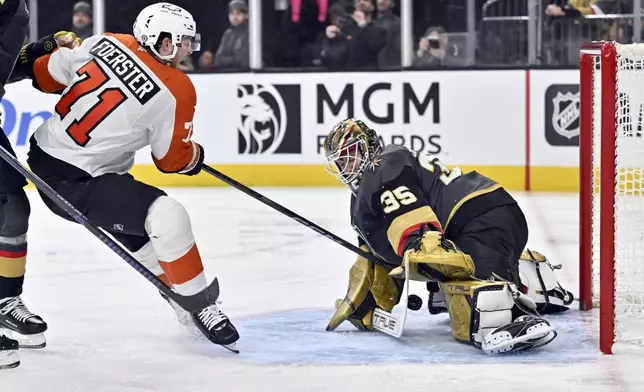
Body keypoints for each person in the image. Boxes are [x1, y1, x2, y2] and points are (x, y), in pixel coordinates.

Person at [13, 2, 240, 352]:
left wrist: (61, 53)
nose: (185, 50)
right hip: (82, 184)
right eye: (180, 42)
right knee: (167, 216)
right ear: (161, 40)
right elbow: (170, 160)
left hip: (45, 160)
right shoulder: (177, 88)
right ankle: (199, 304)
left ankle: (183, 297)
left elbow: (44, 76)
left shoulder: (104, 40)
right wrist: (194, 156)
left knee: (146, 233)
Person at [322, 118, 572, 354]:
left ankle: (516, 314)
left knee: (475, 302)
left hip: (480, 217)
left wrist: (420, 241)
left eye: (352, 154)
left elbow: (412, 224)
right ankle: (534, 281)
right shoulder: (364, 196)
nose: (348, 165)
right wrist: (365, 301)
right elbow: (378, 256)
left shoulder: (381, 166)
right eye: (341, 162)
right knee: (448, 289)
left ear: (370, 146)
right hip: (484, 216)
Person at [0, 0, 50, 370]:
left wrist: (39, 52)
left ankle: (5, 300)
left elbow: (3, 63)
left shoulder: (17, 9)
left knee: (13, 206)